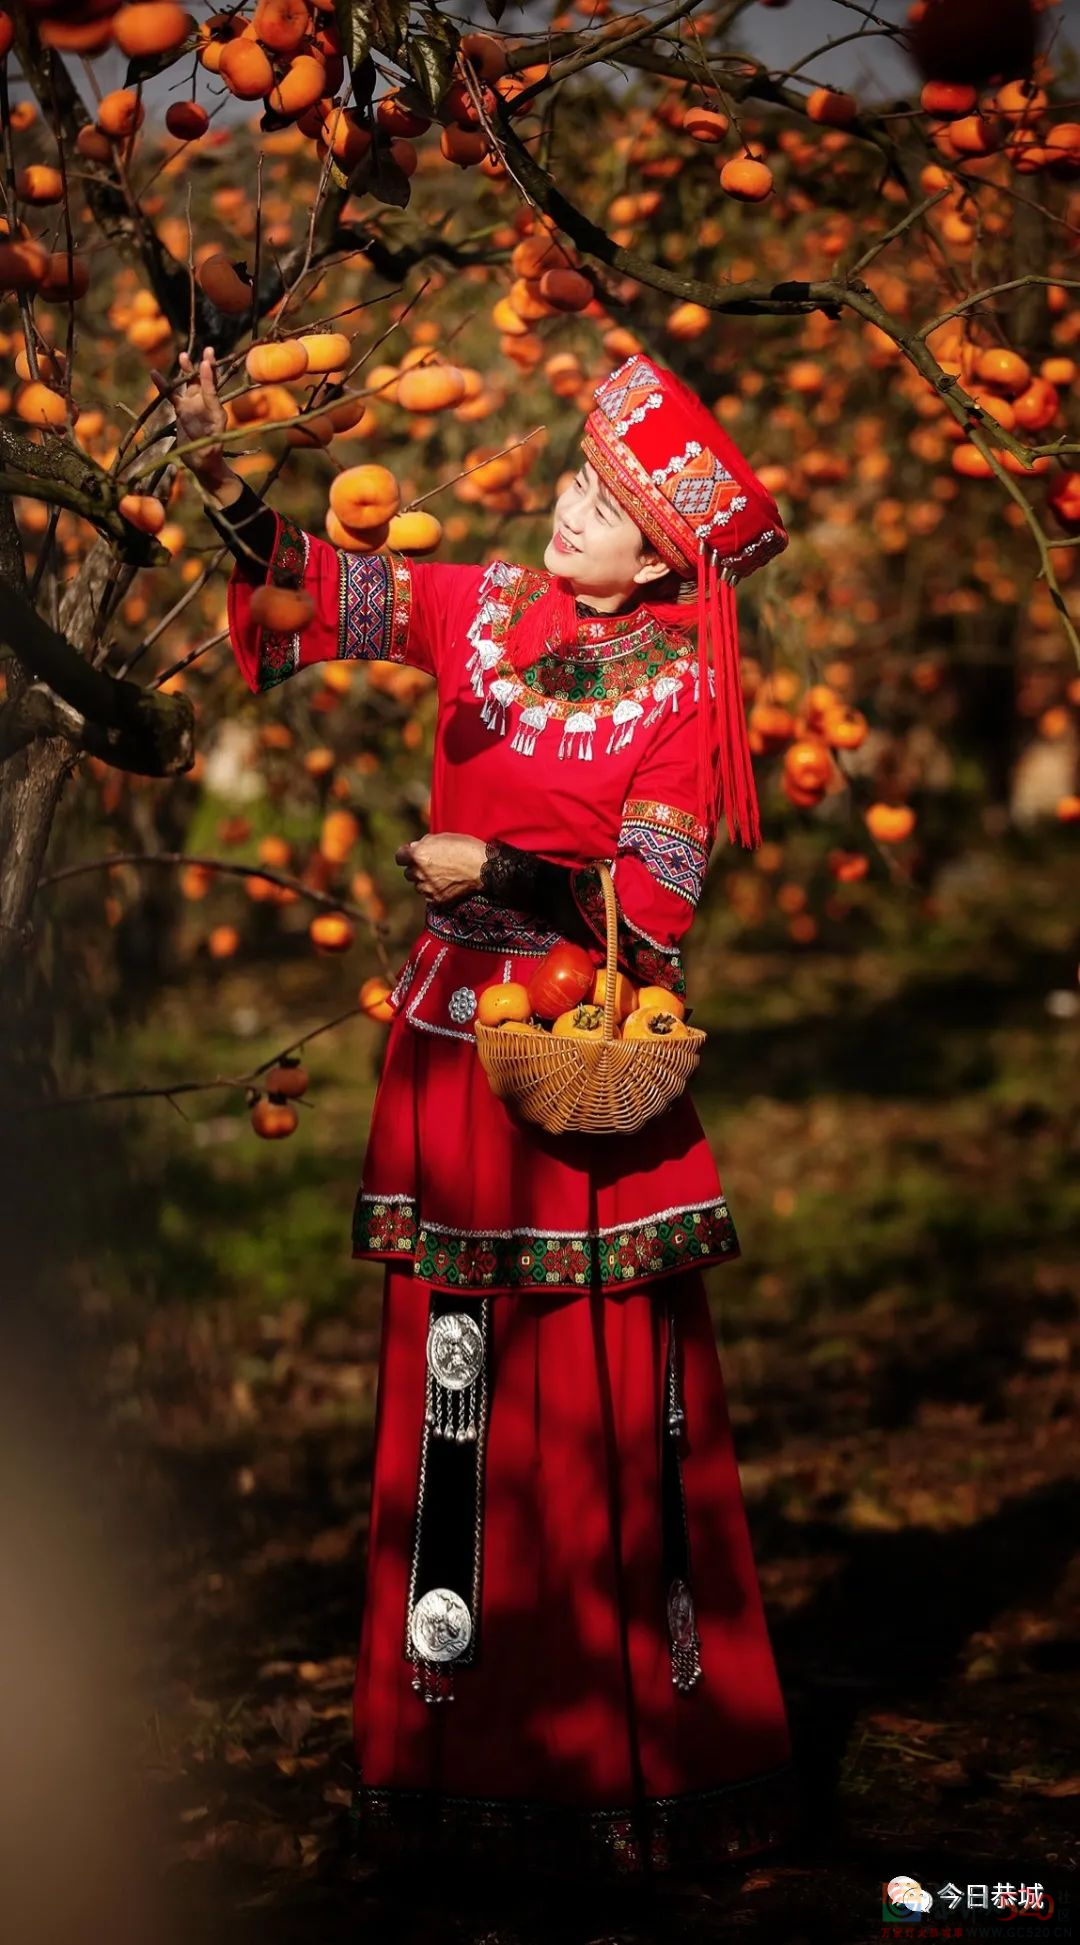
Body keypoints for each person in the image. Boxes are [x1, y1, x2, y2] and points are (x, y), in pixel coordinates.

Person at [165, 343, 801, 1879]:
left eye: (600, 496)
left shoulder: (691, 687)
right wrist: (221, 470)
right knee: (460, 1381)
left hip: (582, 1054)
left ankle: (624, 1752)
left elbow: (656, 910)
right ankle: (452, 1740)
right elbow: (330, 591)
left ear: (660, 550)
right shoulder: (496, 606)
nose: (566, 504)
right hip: (455, 1046)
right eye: (577, 480)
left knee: (588, 1384)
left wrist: (500, 875)